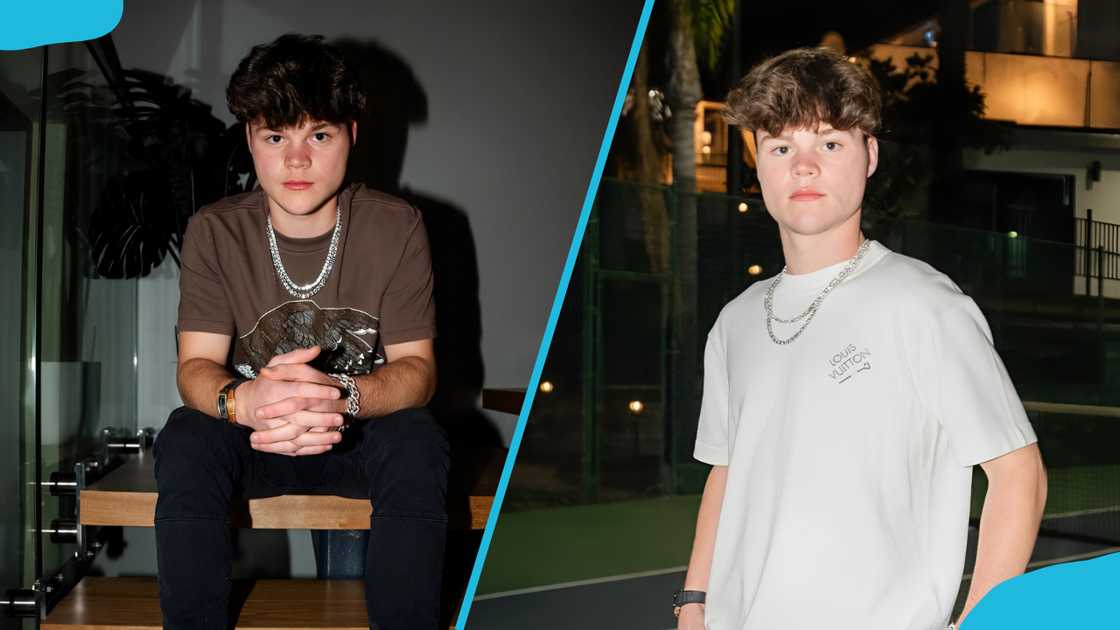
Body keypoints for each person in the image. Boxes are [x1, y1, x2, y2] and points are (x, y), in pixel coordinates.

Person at [674, 47, 1048, 630]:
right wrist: (694, 603)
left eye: (828, 143)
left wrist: (978, 622)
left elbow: (1018, 471)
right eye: (781, 147)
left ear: (869, 155)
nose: (804, 167)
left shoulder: (924, 304)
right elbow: (726, 472)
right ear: (759, 166)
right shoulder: (735, 321)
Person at [154, 34, 447, 630]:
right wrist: (248, 401)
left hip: (358, 433)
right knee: (186, 437)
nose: (296, 160)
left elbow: (418, 371)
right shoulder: (214, 231)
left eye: (318, 134)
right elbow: (194, 369)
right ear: (250, 142)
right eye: (275, 136)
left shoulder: (396, 227)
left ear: (351, 136)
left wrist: (341, 397)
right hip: (256, 436)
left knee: (417, 440)